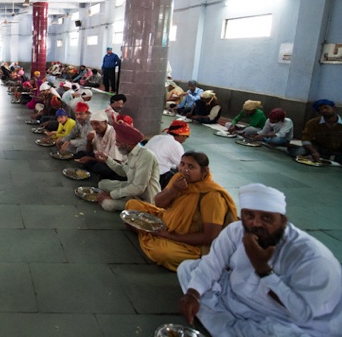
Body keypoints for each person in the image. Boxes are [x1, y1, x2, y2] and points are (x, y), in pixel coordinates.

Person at [177, 183, 342, 336]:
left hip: (277, 316)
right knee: (188, 269)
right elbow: (211, 264)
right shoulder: (235, 231)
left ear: (283, 220)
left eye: (266, 218)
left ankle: (226, 324)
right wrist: (193, 294)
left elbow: (304, 314)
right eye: (249, 215)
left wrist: (263, 270)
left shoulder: (311, 257)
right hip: (232, 294)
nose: (256, 224)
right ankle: (228, 324)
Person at [125, 151, 237, 271]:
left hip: (188, 241)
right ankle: (154, 234)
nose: (184, 169)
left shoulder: (212, 196)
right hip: (165, 220)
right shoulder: (178, 179)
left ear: (204, 171)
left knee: (163, 253)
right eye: (182, 164)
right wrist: (173, 190)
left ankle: (150, 234)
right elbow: (159, 203)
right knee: (132, 205)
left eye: (191, 166)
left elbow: (210, 236)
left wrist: (171, 236)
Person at [96, 123, 160, 211]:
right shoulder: (129, 152)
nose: (116, 144)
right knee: (102, 184)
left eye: (118, 142)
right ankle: (123, 198)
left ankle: (130, 203)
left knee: (106, 203)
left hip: (143, 199)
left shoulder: (146, 156)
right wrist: (107, 159)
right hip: (131, 188)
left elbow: (138, 188)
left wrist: (112, 194)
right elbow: (123, 172)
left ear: (128, 144)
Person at [144, 120, 190, 189]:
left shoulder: (156, 137)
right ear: (181, 135)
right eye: (186, 137)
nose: (185, 140)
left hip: (141, 170)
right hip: (157, 177)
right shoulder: (175, 145)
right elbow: (182, 166)